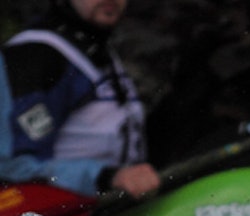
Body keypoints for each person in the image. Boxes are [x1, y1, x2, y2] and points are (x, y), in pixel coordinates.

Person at [0, 0, 159, 198]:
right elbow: (11, 167)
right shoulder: (34, 56)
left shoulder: (96, 47)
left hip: (115, 210)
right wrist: (105, 177)